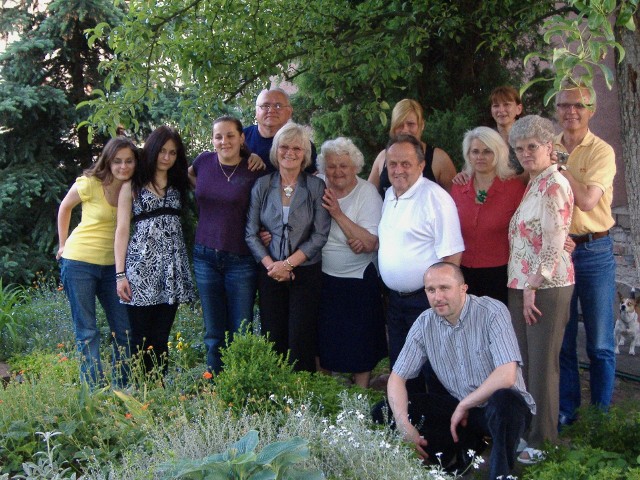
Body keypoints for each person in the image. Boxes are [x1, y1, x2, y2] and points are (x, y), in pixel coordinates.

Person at [373, 262, 535, 480]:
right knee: (384, 410)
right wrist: (404, 424)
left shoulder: (492, 312)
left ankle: (500, 473)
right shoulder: (424, 323)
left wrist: (465, 404)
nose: (437, 296)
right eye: (431, 290)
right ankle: (454, 452)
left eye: (444, 288)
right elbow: (397, 378)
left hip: (500, 406)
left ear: (463, 288)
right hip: (460, 410)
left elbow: (507, 375)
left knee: (505, 402)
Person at [507, 115, 574, 463]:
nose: (525, 154)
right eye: (519, 149)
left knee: (543, 365)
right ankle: (530, 431)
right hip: (522, 284)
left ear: (550, 147)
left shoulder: (555, 184)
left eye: (532, 147)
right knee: (527, 363)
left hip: (546, 286)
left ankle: (544, 440)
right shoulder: (534, 183)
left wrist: (533, 285)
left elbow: (554, 242)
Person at [377, 134, 464, 394]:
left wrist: (440, 300)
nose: (398, 169)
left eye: (406, 163)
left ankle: (440, 429)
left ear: (421, 165)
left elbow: (452, 256)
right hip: (395, 300)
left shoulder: (435, 198)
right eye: (392, 164)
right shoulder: (390, 195)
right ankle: (409, 425)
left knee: (435, 370)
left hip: (425, 301)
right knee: (403, 367)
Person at [245, 122, 330, 372]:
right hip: (270, 270)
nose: (290, 153)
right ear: (275, 150)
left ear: (305, 153)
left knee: (300, 337)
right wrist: (273, 266)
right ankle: (274, 395)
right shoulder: (262, 185)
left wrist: (289, 263)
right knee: (273, 335)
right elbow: (250, 233)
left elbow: (320, 233)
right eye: (284, 147)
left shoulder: (315, 187)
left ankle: (301, 397)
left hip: (305, 271)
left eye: (297, 148)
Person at [556, 84, 617, 426]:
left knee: (600, 342)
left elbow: (588, 201)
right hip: (560, 252)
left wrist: (558, 168)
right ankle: (567, 409)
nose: (571, 111)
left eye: (579, 105)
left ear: (591, 109)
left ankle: (600, 418)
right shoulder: (549, 148)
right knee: (563, 340)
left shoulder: (601, 151)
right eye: (564, 105)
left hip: (594, 249)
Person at [188, 116, 267, 374]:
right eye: (218, 136)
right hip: (204, 257)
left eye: (230, 135)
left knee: (240, 328)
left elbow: (267, 208)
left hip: (241, 259)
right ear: (213, 140)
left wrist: (265, 233)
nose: (224, 141)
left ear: (241, 137)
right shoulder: (203, 163)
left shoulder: (254, 169)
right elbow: (190, 177)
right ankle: (215, 386)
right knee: (213, 330)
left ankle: (237, 383)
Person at [57, 137, 138, 387]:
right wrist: (62, 244)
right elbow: (64, 208)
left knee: (124, 330)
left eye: (129, 161)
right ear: (108, 161)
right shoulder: (90, 183)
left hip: (113, 267)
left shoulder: (134, 187)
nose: (123, 167)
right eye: (117, 161)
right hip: (79, 262)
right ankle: (95, 392)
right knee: (88, 332)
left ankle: (122, 389)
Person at [115, 126, 195, 376]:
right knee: (139, 337)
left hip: (171, 269)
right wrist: (120, 274)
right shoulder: (133, 184)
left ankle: (158, 391)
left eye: (172, 153)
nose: (167, 158)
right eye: (162, 151)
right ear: (152, 150)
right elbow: (122, 230)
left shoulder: (180, 182)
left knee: (160, 337)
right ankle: (138, 391)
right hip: (141, 269)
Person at [315, 137, 387, 388]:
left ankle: (361, 389)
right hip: (322, 274)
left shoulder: (366, 192)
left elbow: (370, 242)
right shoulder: (317, 186)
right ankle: (328, 389)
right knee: (324, 335)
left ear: (355, 167)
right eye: (332, 166)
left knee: (360, 336)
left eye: (343, 166)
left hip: (357, 276)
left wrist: (337, 213)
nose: (337, 172)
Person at [450, 127, 525, 305]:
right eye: (475, 151)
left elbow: (526, 229)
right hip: (463, 272)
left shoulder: (514, 188)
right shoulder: (458, 187)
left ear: (498, 153)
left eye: (487, 151)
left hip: (499, 273)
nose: (480, 157)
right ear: (468, 155)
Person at [367, 99, 457, 194]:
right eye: (400, 125)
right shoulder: (382, 157)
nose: (405, 130)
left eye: (411, 124)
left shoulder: (438, 159)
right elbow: (367, 197)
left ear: (421, 125)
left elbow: (456, 200)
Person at [243, 87, 317, 173]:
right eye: (265, 106)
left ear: (289, 112)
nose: (271, 110)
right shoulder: (239, 138)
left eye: (278, 106)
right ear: (256, 111)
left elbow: (311, 180)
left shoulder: (302, 145)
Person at [490, 86, 525, 175]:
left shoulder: (528, 138)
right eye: (496, 106)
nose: (501, 110)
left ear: (518, 109)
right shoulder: (485, 139)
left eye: (506, 104)